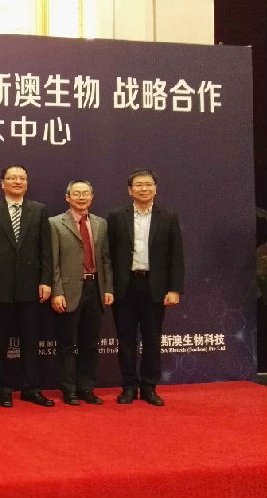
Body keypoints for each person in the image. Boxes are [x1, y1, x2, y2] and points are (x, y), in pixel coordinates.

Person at [107, 169, 184, 406]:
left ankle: (149, 387)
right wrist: (109, 286)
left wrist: (174, 289)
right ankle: (129, 386)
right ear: (130, 190)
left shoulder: (168, 216)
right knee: (126, 339)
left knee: (152, 339)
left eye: (148, 184)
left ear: (155, 188)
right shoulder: (116, 216)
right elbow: (107, 255)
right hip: (125, 286)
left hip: (155, 286)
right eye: (138, 185)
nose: (144, 189)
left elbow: (176, 255)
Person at [0, 165, 54, 408]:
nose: (17, 182)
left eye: (22, 178)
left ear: (27, 183)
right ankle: (3, 389)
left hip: (30, 287)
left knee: (30, 341)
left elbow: (45, 249)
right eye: (12, 178)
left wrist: (46, 280)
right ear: (2, 183)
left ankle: (31, 388)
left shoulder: (38, 210)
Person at [50, 180, 114, 405]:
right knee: (67, 344)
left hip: (95, 288)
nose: (81, 197)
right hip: (68, 291)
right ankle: (69, 390)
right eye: (76, 193)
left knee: (90, 343)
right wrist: (57, 291)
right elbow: (53, 262)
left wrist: (108, 288)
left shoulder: (100, 223)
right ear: (67, 197)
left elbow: (106, 259)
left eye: (85, 193)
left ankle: (87, 388)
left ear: (92, 197)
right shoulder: (55, 223)